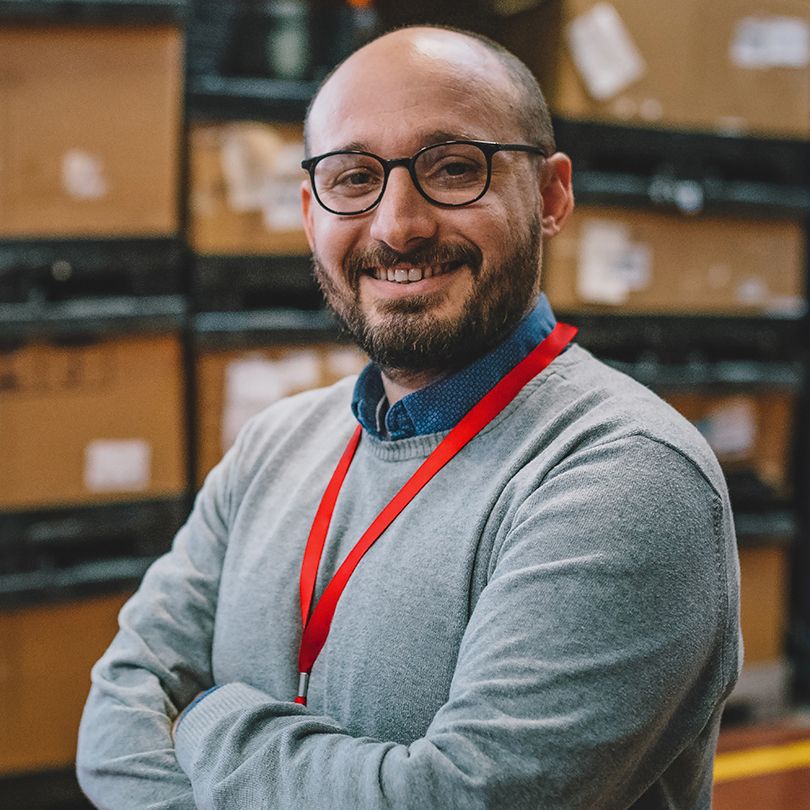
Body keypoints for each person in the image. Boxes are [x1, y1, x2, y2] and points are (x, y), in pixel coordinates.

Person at [77, 25, 741, 810]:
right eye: (354, 178)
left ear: (553, 195)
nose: (397, 226)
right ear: (309, 211)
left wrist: (210, 723)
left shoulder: (624, 475)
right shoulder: (273, 446)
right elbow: (118, 714)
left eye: (454, 168)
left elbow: (459, 800)